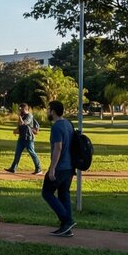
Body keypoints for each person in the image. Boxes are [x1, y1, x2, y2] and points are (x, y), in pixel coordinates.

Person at [43, 100, 76, 237]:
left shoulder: (56, 127)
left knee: (47, 193)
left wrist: (52, 169)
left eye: (48, 109)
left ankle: (67, 220)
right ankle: (66, 228)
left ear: (53, 111)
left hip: (60, 167)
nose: (47, 111)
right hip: (69, 167)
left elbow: (58, 148)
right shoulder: (68, 124)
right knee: (64, 194)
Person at [5, 102, 42, 175]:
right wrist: (16, 130)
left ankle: (39, 169)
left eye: (20, 109)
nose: (19, 110)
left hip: (28, 138)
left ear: (24, 109)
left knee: (32, 153)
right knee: (17, 153)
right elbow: (20, 125)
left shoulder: (29, 116)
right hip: (21, 138)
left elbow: (23, 123)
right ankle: (13, 168)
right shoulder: (22, 115)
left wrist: (19, 117)